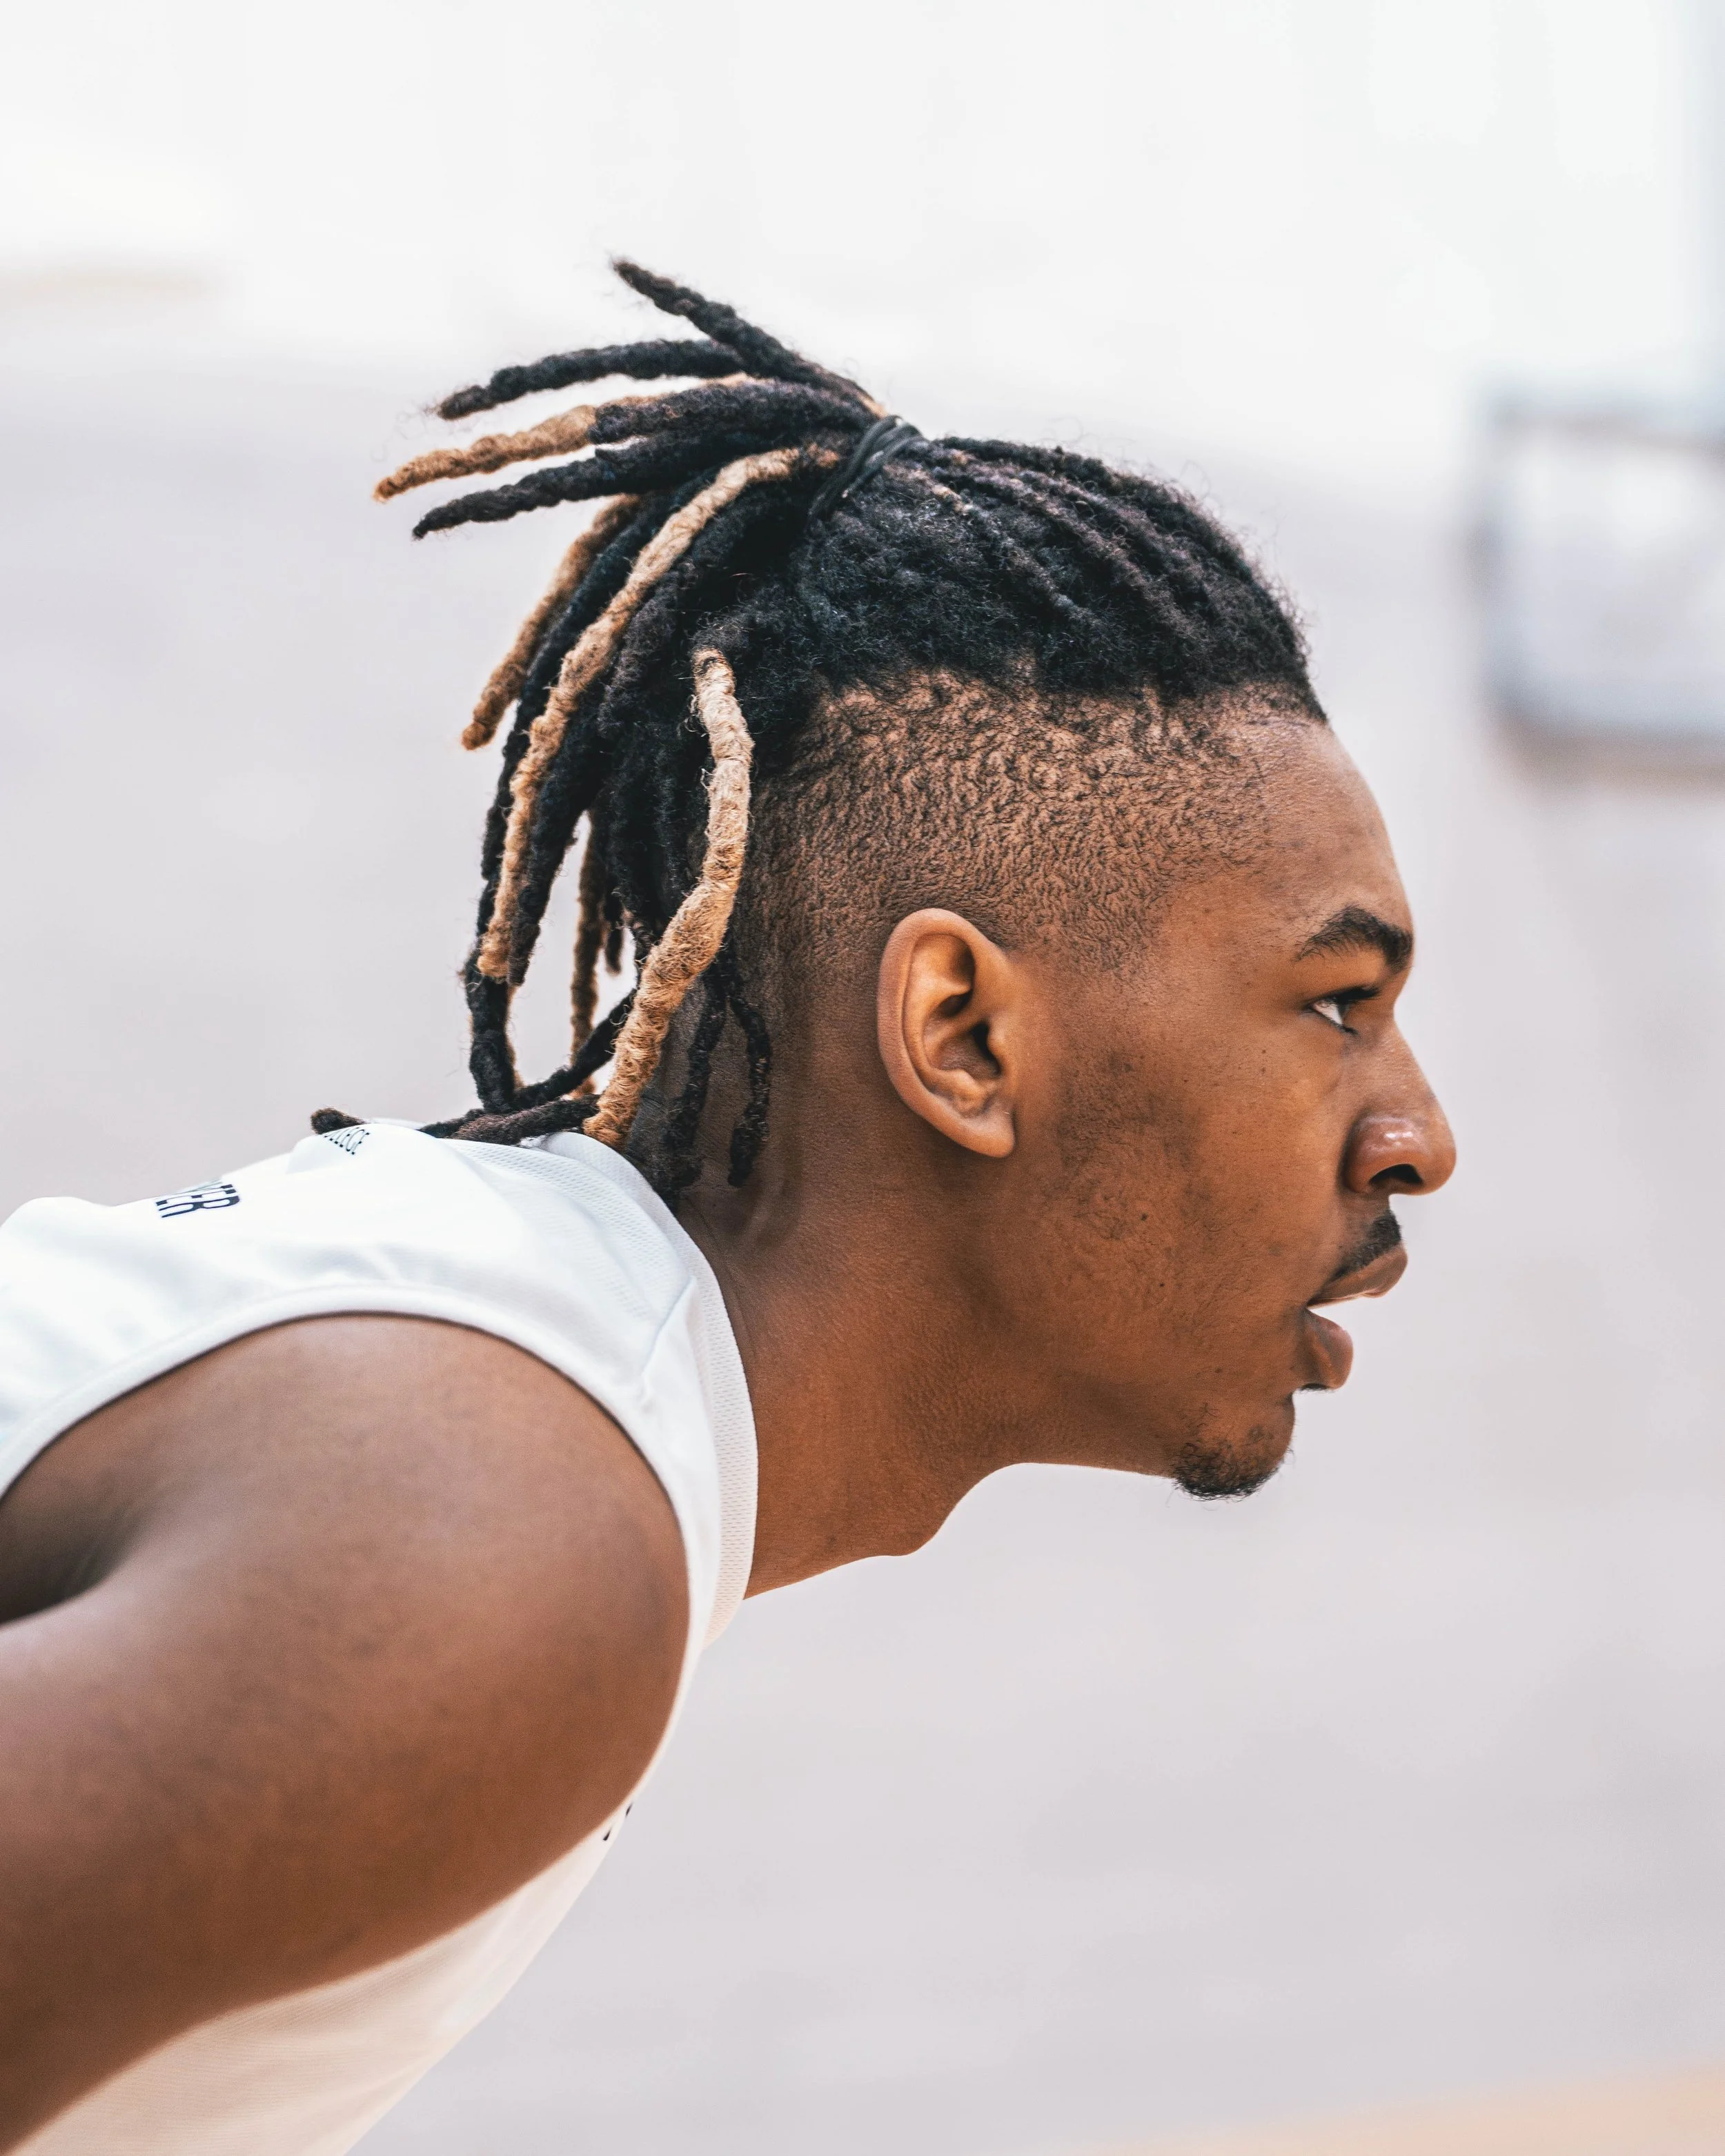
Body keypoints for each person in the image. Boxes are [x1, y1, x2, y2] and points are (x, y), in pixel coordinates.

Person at [0, 261, 1455, 2153]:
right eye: (1336, 1004)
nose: (1417, 1135)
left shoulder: (542, 1406)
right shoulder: (509, 1532)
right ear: (962, 1035)